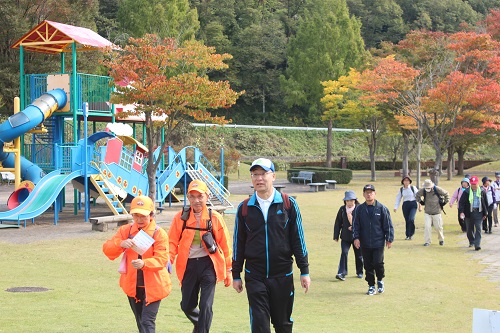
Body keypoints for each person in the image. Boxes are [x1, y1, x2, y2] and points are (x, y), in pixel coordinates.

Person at [232, 158, 310, 333]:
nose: (259, 178)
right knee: (260, 326)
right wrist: (236, 274)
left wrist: (304, 270)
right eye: (255, 174)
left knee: (283, 325)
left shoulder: (288, 204)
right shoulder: (244, 208)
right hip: (255, 276)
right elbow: (238, 243)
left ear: (273, 176)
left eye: (263, 174)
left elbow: (299, 240)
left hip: (282, 275)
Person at [168, 180, 232, 333]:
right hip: (188, 265)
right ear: (188, 197)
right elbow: (171, 242)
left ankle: (202, 330)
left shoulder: (214, 217)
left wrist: (229, 269)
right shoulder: (180, 218)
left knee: (206, 305)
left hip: (209, 265)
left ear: (207, 196)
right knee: (187, 305)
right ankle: (200, 323)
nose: (196, 200)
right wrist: (168, 262)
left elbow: (225, 245)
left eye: (200, 196)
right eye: (192, 196)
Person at [103, 195, 172, 333]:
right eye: (136, 215)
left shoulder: (159, 234)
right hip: (133, 286)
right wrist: (120, 244)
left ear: (151, 215)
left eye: (143, 216)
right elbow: (107, 249)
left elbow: (162, 259)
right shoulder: (125, 231)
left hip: (154, 286)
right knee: (140, 322)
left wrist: (144, 263)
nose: (139, 219)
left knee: (147, 322)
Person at [353, 184, 394, 296]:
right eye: (367, 192)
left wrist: (389, 239)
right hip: (365, 242)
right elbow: (355, 225)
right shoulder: (359, 209)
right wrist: (356, 238)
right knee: (367, 265)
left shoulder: (382, 208)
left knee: (378, 263)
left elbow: (388, 225)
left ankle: (380, 280)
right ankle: (371, 285)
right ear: (363, 194)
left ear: (375, 194)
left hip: (378, 242)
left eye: (371, 192)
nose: (369, 194)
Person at [333, 190, 363, 281]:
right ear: (345, 201)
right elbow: (338, 222)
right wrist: (336, 235)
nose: (350, 203)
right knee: (344, 253)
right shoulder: (342, 209)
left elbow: (363, 223)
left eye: (352, 200)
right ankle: (342, 272)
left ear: (355, 200)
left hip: (357, 237)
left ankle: (360, 271)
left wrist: (353, 227)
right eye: (348, 201)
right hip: (345, 237)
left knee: (359, 255)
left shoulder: (359, 208)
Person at [415, 179, 450, 247]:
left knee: (438, 227)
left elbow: (446, 194)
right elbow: (417, 195)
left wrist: (444, 202)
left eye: (428, 188)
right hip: (427, 212)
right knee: (427, 227)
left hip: (437, 212)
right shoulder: (423, 190)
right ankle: (427, 241)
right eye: (426, 188)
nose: (427, 189)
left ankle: (441, 240)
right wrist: (420, 202)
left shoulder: (437, 189)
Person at [459, 176, 488, 250]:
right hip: (469, 213)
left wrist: (485, 213)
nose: (474, 186)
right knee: (469, 229)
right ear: (470, 184)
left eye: (475, 184)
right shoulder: (466, 192)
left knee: (478, 228)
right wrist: (461, 212)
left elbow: (485, 203)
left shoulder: (482, 191)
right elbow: (461, 203)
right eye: (472, 184)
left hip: (479, 212)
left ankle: (477, 244)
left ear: (477, 183)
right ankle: (471, 241)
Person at [393, 175, 419, 240]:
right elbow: (398, 198)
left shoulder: (413, 188)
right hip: (405, 205)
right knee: (407, 220)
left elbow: (418, 197)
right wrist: (396, 207)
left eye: (407, 180)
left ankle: (411, 234)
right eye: (405, 180)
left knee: (411, 219)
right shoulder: (401, 189)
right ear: (403, 182)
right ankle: (408, 235)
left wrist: (420, 206)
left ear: (410, 182)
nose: (406, 182)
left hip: (413, 204)